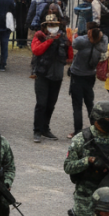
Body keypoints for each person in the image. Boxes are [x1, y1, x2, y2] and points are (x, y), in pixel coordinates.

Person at [31, 13, 73, 142]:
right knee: (41, 104)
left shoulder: (63, 38)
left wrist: (69, 43)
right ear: (45, 26)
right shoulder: (39, 36)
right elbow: (36, 51)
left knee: (51, 104)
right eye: (50, 25)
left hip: (57, 75)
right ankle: (37, 130)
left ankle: (45, 128)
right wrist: (50, 40)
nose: (52, 27)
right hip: (42, 74)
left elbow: (69, 57)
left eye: (54, 25)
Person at [69, 26, 108, 137]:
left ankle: (77, 131)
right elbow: (105, 41)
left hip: (77, 76)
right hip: (90, 76)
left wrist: (88, 35)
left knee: (77, 106)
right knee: (89, 104)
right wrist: (99, 35)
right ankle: (95, 129)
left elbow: (74, 43)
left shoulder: (83, 42)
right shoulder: (101, 44)